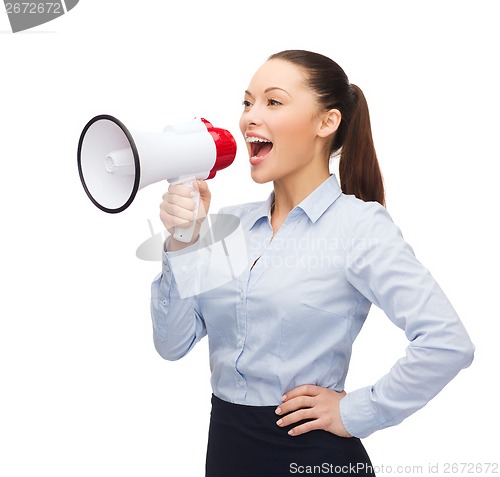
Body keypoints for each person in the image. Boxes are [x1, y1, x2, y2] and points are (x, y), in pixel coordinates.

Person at [151, 50, 475, 476]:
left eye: (273, 101)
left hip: (312, 458)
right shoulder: (229, 226)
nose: (250, 116)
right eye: (247, 102)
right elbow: (172, 344)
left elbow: (448, 343)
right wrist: (183, 241)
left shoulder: (359, 227)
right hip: (227, 453)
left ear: (327, 122)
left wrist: (357, 411)